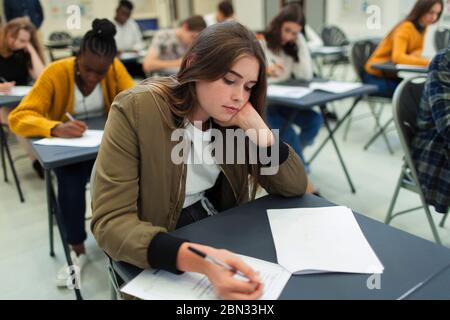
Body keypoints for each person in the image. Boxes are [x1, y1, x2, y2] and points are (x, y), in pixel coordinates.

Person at [91, 21, 308, 300]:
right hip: (154, 235)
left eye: (249, 86)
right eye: (229, 80)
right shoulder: (137, 109)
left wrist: (263, 135)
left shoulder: (233, 120)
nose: (238, 97)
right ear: (194, 64)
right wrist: (197, 260)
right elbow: (110, 223)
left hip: (210, 223)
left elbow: (294, 186)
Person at [8, 19, 134, 287]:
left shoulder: (114, 69)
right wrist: (54, 127)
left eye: (99, 73)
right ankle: (76, 247)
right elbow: (19, 117)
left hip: (105, 147)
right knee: (71, 184)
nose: (92, 77)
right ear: (76, 58)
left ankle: (127, 236)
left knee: (134, 175)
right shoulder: (56, 72)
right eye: (87, 69)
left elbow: (135, 101)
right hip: (70, 153)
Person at [260, 6, 323, 178]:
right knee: (288, 132)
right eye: (287, 30)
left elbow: (306, 75)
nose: (289, 36)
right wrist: (265, 70)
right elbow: (248, 75)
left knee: (315, 121)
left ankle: (294, 156)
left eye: (295, 33)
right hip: (265, 102)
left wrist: (301, 43)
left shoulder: (292, 46)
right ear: (278, 24)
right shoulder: (261, 42)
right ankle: (301, 173)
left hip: (285, 100)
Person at [364, 0, 443, 97]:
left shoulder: (422, 28)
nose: (434, 17)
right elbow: (398, 57)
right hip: (375, 77)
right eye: (431, 12)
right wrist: (429, 62)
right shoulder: (405, 27)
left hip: (391, 76)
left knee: (425, 90)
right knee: (417, 94)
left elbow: (417, 51)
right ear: (421, 9)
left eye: (437, 14)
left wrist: (413, 57)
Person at [0, 17, 45, 178]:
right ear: (7, 34)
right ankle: (36, 161)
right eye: (16, 38)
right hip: (4, 106)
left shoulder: (23, 54)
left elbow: (42, 77)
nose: (15, 43)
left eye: (24, 41)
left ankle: (47, 155)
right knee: (14, 117)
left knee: (37, 115)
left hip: (24, 101)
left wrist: (31, 49)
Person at [411, 46, 450, 214]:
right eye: (430, 15)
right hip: (436, 147)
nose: (432, 17)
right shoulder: (444, 61)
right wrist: (422, 60)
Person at [113, 0, 145, 78]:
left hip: (131, 60)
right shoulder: (109, 25)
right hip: (115, 62)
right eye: (123, 13)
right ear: (117, 11)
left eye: (128, 15)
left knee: (142, 72)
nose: (125, 17)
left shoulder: (132, 24)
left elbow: (139, 42)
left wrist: (136, 48)